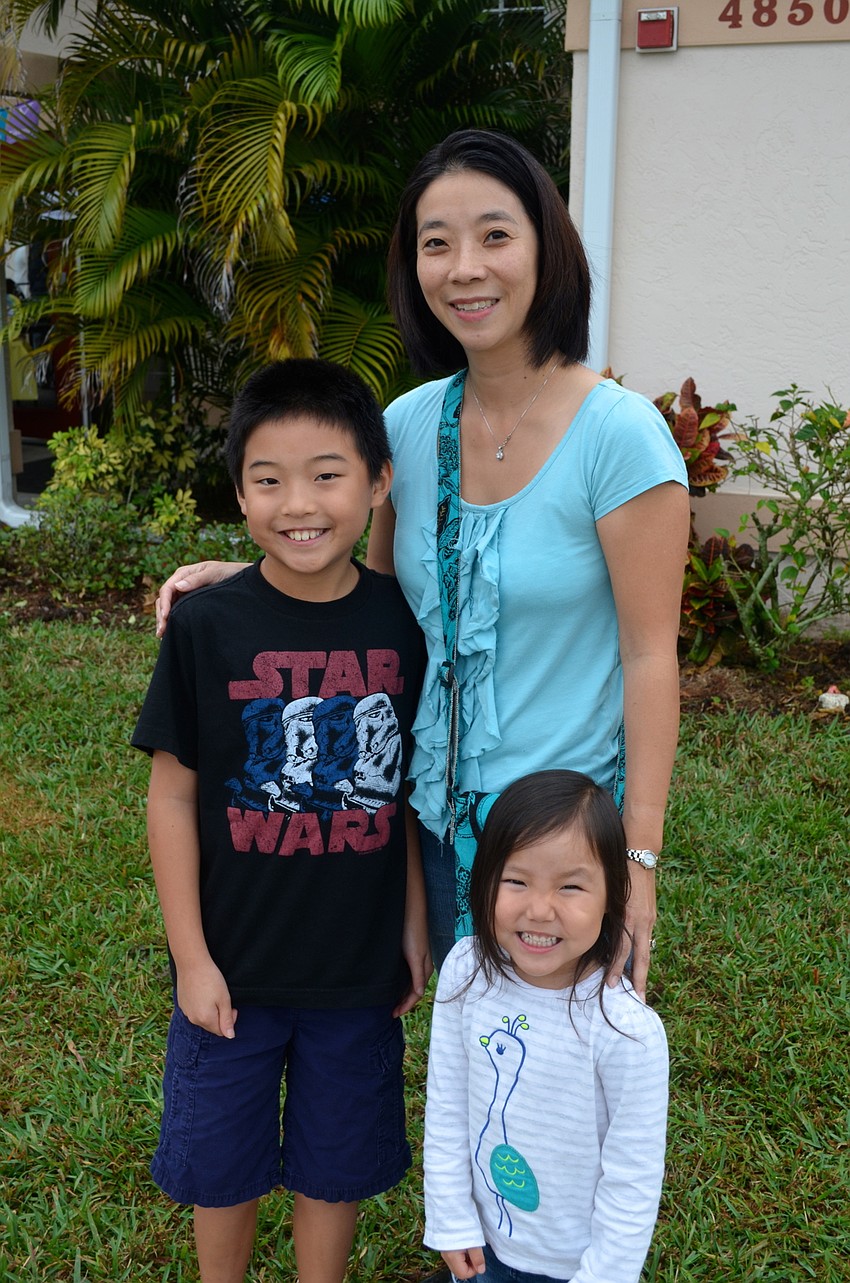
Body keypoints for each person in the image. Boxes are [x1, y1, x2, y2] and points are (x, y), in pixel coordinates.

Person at [155, 128, 690, 1001]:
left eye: (494, 235)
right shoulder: (406, 426)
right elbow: (376, 603)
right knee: (476, 1079)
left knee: (556, 1099)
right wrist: (252, 580)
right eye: (435, 244)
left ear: (545, 248)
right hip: (433, 829)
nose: (464, 267)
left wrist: (638, 857)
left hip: (561, 848)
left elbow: (649, 655)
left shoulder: (619, 438)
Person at [133, 358, 429, 1283]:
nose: (298, 502)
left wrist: (414, 928)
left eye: (328, 474)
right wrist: (191, 956)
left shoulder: (404, 622)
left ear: (378, 483)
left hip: (356, 966)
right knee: (221, 1162)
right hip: (234, 968)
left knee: (334, 1163)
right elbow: (172, 796)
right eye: (268, 479)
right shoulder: (207, 625)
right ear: (239, 493)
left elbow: (410, 792)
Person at [424, 770, 668, 1283]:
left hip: (574, 1268)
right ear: (484, 880)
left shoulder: (627, 1031)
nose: (539, 910)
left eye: (571, 887)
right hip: (480, 1251)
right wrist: (450, 1219)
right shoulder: (466, 971)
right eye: (516, 880)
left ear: (613, 899)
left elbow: (632, 1179)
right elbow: (447, 1106)